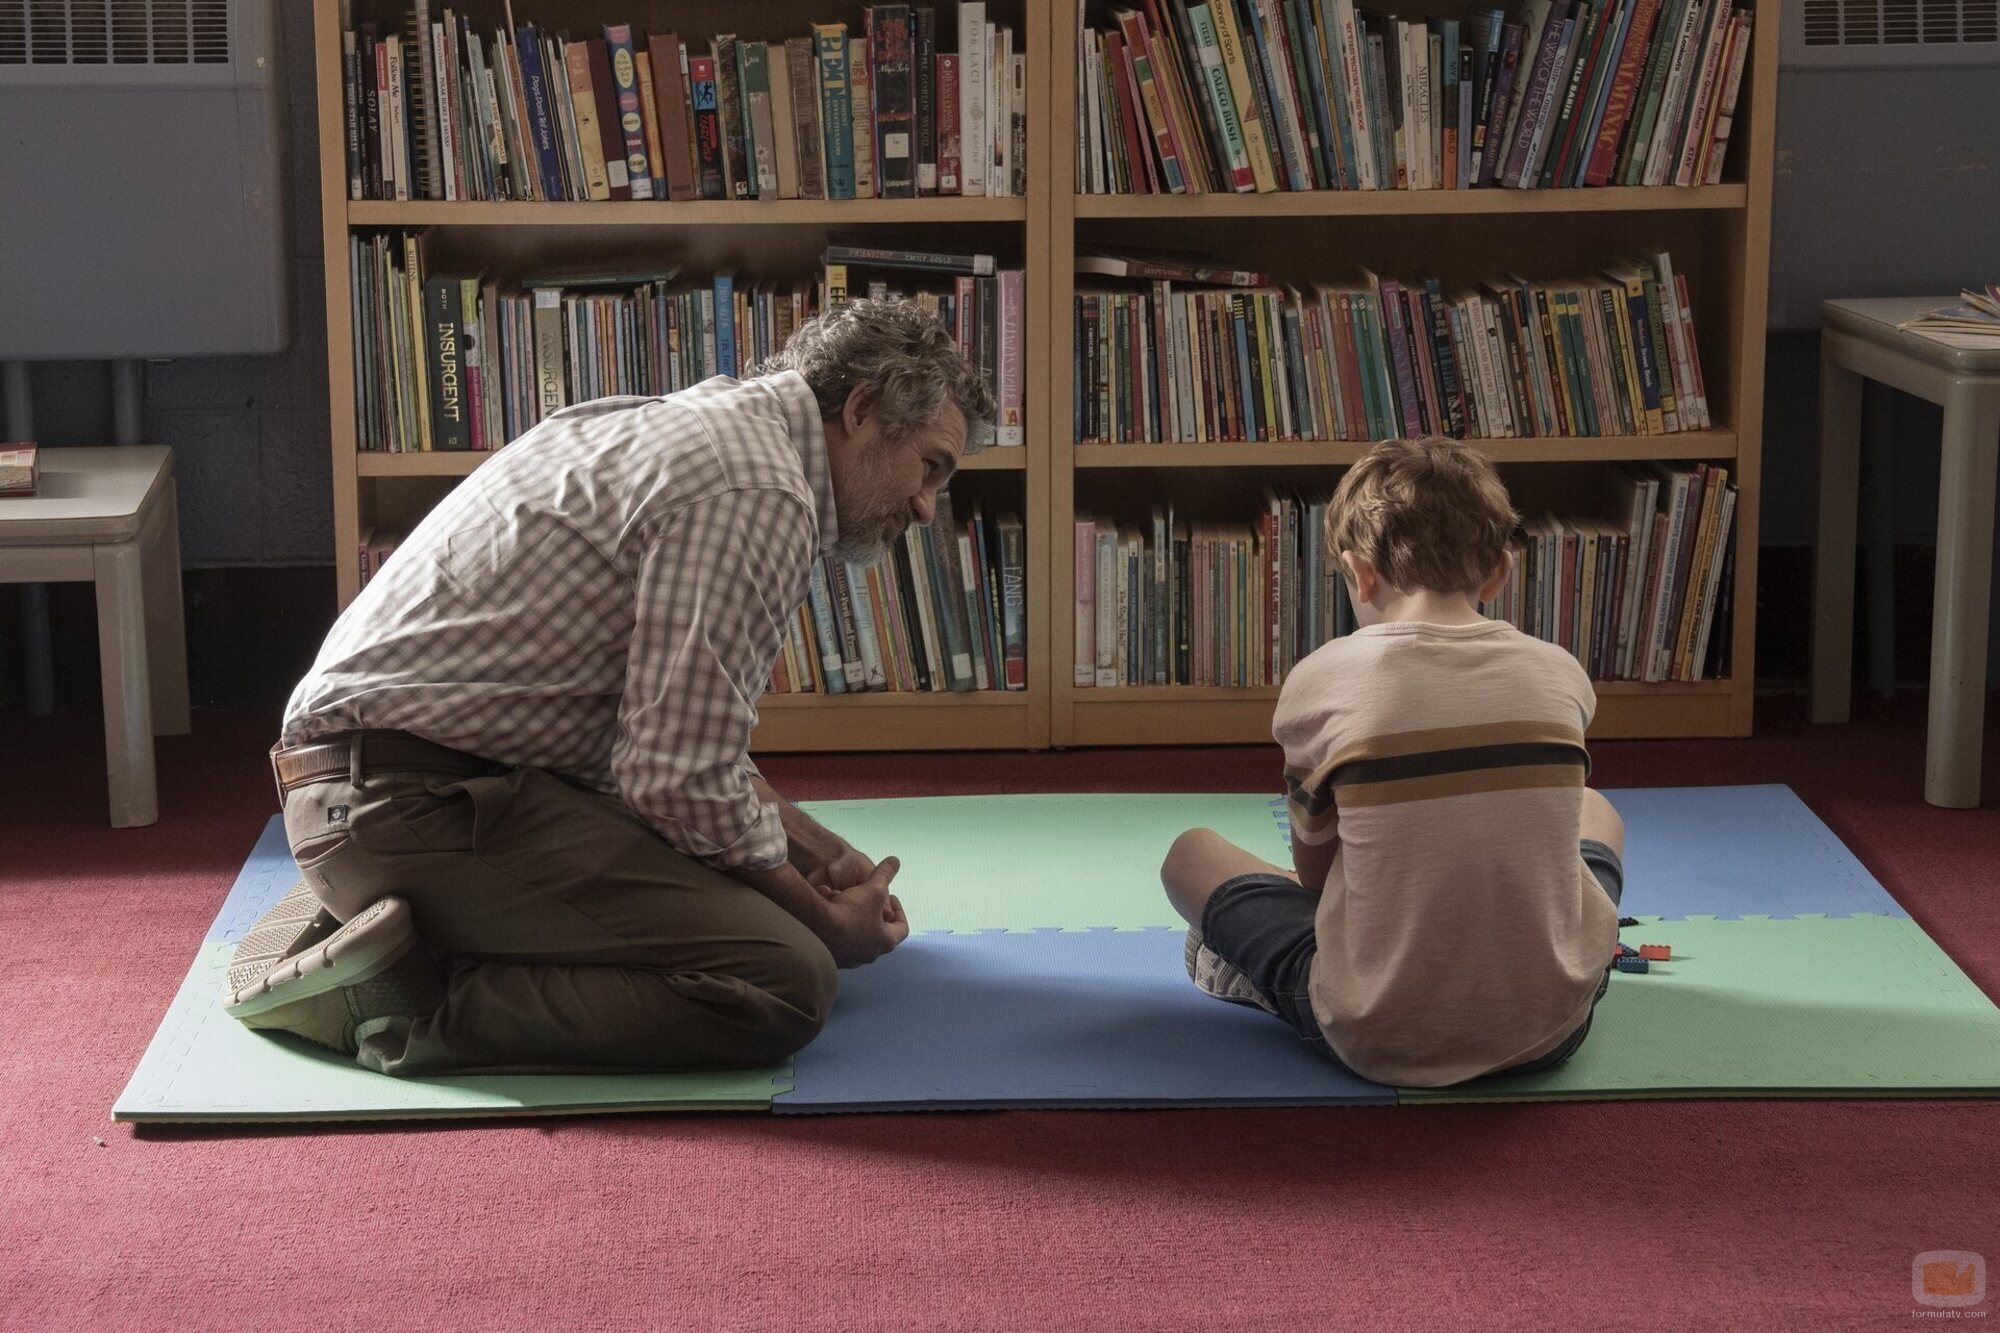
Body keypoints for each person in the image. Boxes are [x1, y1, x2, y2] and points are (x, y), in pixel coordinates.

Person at [223, 298, 994, 1075]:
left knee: (743, 882)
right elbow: (677, 779)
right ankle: (395, 998)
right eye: (930, 466)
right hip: (405, 807)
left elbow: (678, 747)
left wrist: (822, 855)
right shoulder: (760, 491)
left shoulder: (699, 424)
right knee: (785, 977)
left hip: (377, 785)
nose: (926, 505)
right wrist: (824, 921)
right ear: (861, 410)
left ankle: (387, 912)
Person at [1159, 436, 1625, 1088]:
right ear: (1499, 572)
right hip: (1553, 1027)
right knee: (1597, 811)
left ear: (1361, 573)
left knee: (1191, 854)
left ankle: (1263, 981)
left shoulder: (1322, 680)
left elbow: (1315, 878)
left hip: (1377, 1033)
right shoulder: (1562, 673)